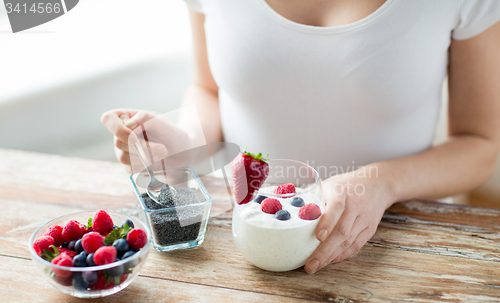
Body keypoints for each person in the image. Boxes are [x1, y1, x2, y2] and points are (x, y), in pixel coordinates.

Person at [102, 0, 500, 274]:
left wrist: (382, 182)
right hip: (247, 243)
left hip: (404, 250)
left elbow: (480, 144)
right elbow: (208, 89)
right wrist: (185, 141)